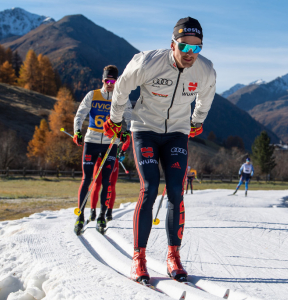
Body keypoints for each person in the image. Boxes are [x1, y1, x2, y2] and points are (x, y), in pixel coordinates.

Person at [104, 17, 216, 283]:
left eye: (196, 48)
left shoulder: (205, 70)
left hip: (177, 132)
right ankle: (139, 259)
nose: (191, 54)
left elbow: (207, 96)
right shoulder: (147, 62)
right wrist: (116, 119)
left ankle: (173, 256)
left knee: (176, 191)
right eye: (185, 47)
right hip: (145, 130)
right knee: (150, 187)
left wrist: (197, 120)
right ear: (172, 44)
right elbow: (121, 88)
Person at [73, 65, 132, 235]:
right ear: (103, 80)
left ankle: (102, 216)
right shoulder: (93, 95)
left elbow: (129, 116)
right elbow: (80, 114)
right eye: (107, 80)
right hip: (91, 141)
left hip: (110, 143)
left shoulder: (120, 97)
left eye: (113, 81)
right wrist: (78, 131)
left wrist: (126, 131)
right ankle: (80, 216)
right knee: (87, 179)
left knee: (107, 182)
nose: (110, 84)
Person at [89, 133, 131, 222]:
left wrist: (122, 151)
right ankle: (93, 211)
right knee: (96, 184)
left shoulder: (116, 129)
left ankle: (109, 211)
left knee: (111, 185)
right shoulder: (100, 128)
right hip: (100, 160)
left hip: (113, 160)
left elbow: (127, 139)